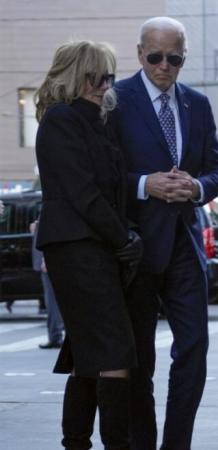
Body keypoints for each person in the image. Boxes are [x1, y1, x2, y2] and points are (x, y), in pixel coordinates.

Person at [113, 17, 218, 450]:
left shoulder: (196, 104)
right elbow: (102, 174)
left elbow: (217, 168)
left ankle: (177, 444)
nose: (164, 66)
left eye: (174, 58)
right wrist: (146, 184)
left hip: (184, 241)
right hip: (136, 247)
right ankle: (142, 442)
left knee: (194, 348)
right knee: (140, 358)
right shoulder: (115, 100)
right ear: (140, 53)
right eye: (156, 56)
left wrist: (197, 187)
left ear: (184, 58)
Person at [34, 40, 143, 449]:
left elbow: (112, 191)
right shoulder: (61, 119)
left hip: (97, 247)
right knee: (114, 354)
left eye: (109, 76)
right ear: (74, 75)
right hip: (75, 248)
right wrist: (124, 237)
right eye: (94, 76)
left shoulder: (99, 122)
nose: (103, 85)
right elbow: (82, 193)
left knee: (87, 352)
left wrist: (125, 234)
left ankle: (76, 442)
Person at [30, 218, 64, 349]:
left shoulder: (53, 201)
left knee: (53, 301)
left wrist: (46, 258)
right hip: (50, 259)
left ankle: (55, 336)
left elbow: (52, 228)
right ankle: (55, 336)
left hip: (50, 260)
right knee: (52, 301)